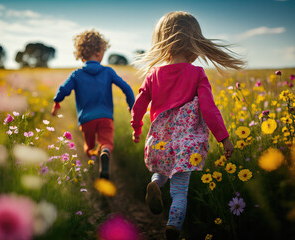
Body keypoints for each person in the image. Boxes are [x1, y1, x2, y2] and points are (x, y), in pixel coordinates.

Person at [130, 11, 245, 239]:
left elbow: (139, 105)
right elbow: (209, 109)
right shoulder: (197, 74)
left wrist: (136, 128)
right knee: (180, 191)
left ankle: (155, 184)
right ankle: (174, 225)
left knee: (162, 171)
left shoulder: (153, 74)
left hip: (160, 140)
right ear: (194, 44)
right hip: (186, 143)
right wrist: (224, 138)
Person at [52, 29, 135, 179]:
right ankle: (104, 152)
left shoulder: (76, 74)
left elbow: (64, 89)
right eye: (103, 51)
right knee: (106, 143)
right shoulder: (108, 72)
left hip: (87, 119)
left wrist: (56, 102)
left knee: (88, 148)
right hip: (105, 117)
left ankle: (93, 160)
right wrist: (132, 106)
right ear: (98, 53)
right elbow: (127, 88)